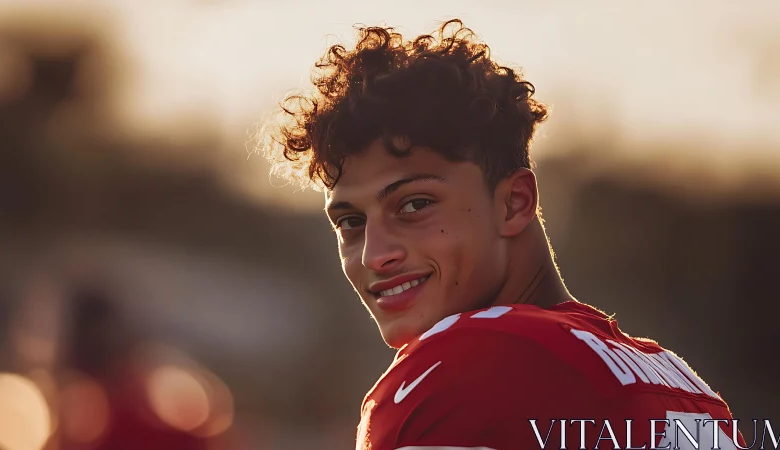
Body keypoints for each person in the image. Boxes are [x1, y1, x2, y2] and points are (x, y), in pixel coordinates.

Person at [259, 19, 746, 450]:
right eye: (351, 222)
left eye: (414, 205)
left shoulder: (465, 364)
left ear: (514, 202)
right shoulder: (688, 389)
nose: (374, 256)